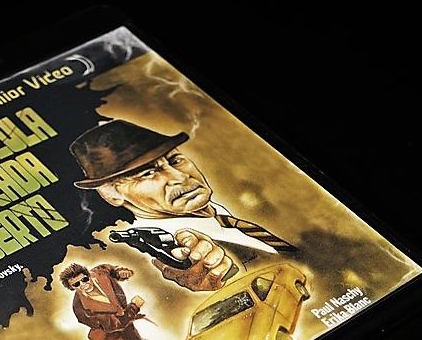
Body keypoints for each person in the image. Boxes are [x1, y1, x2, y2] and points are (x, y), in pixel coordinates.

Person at [70, 120, 297, 291]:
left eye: (175, 160)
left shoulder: (229, 213)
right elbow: (183, 273)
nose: (179, 177)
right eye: (148, 173)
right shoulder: (168, 248)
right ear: (111, 194)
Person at [59, 262, 145, 340]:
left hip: (129, 323)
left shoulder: (99, 272)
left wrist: (120, 273)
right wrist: (134, 307)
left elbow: (111, 270)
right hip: (106, 339)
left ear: (88, 275)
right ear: (72, 288)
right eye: (77, 284)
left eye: (85, 279)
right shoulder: (80, 309)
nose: (84, 285)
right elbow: (114, 324)